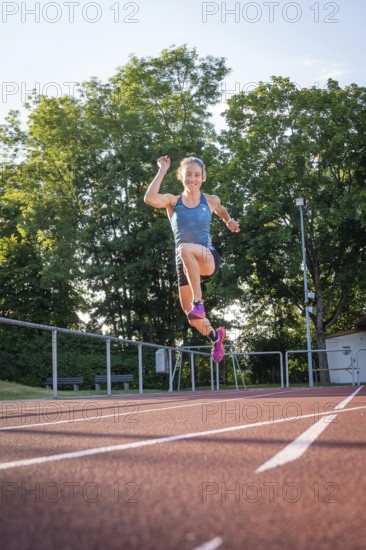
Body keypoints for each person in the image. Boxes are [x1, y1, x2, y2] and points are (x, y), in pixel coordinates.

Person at [144, 155, 240, 362]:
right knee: (191, 317)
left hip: (206, 257)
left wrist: (228, 220)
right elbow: (150, 199)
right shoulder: (172, 201)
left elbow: (221, 210)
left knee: (185, 248)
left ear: (203, 178)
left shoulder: (211, 200)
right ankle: (215, 336)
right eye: (188, 174)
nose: (193, 178)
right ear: (181, 177)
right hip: (184, 263)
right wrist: (162, 170)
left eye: (197, 175)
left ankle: (199, 301)